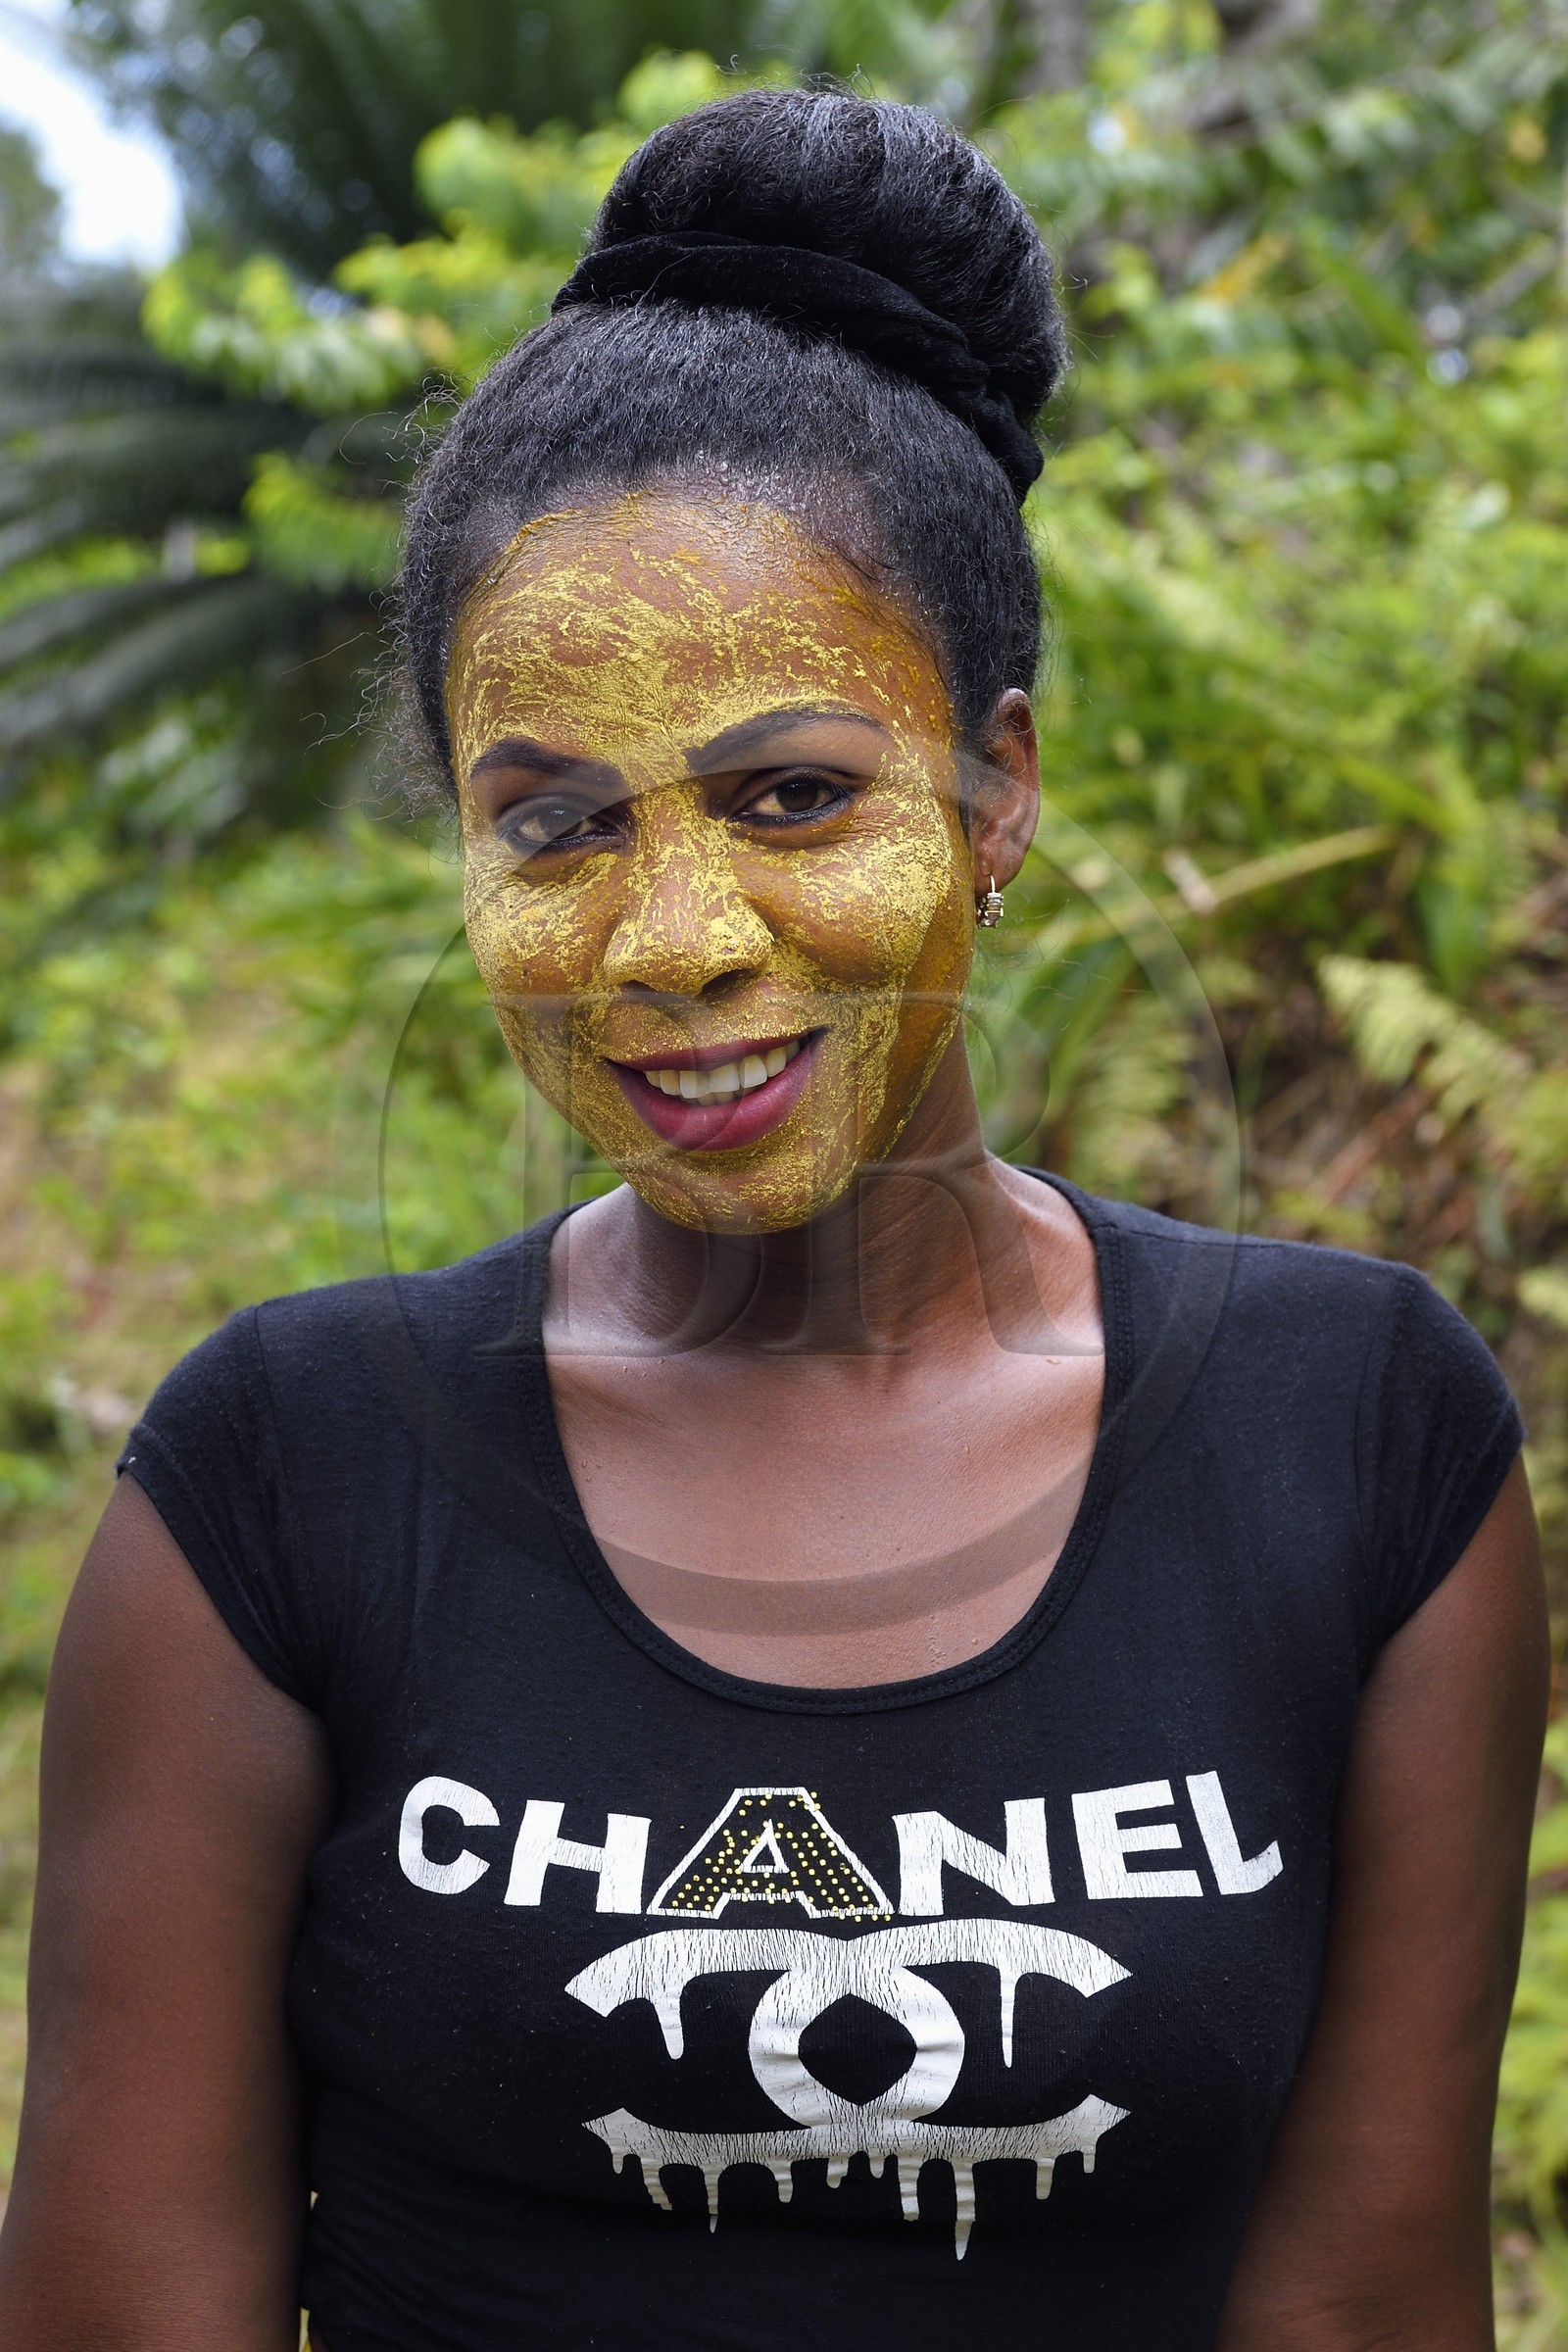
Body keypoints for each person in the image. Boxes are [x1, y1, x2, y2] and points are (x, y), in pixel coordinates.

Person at [0, 88, 1548, 2352]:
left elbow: (1360, 2298)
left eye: (795, 793)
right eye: (554, 827)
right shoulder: (278, 1487)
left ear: (996, 785)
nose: (677, 933)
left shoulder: (1360, 1446)